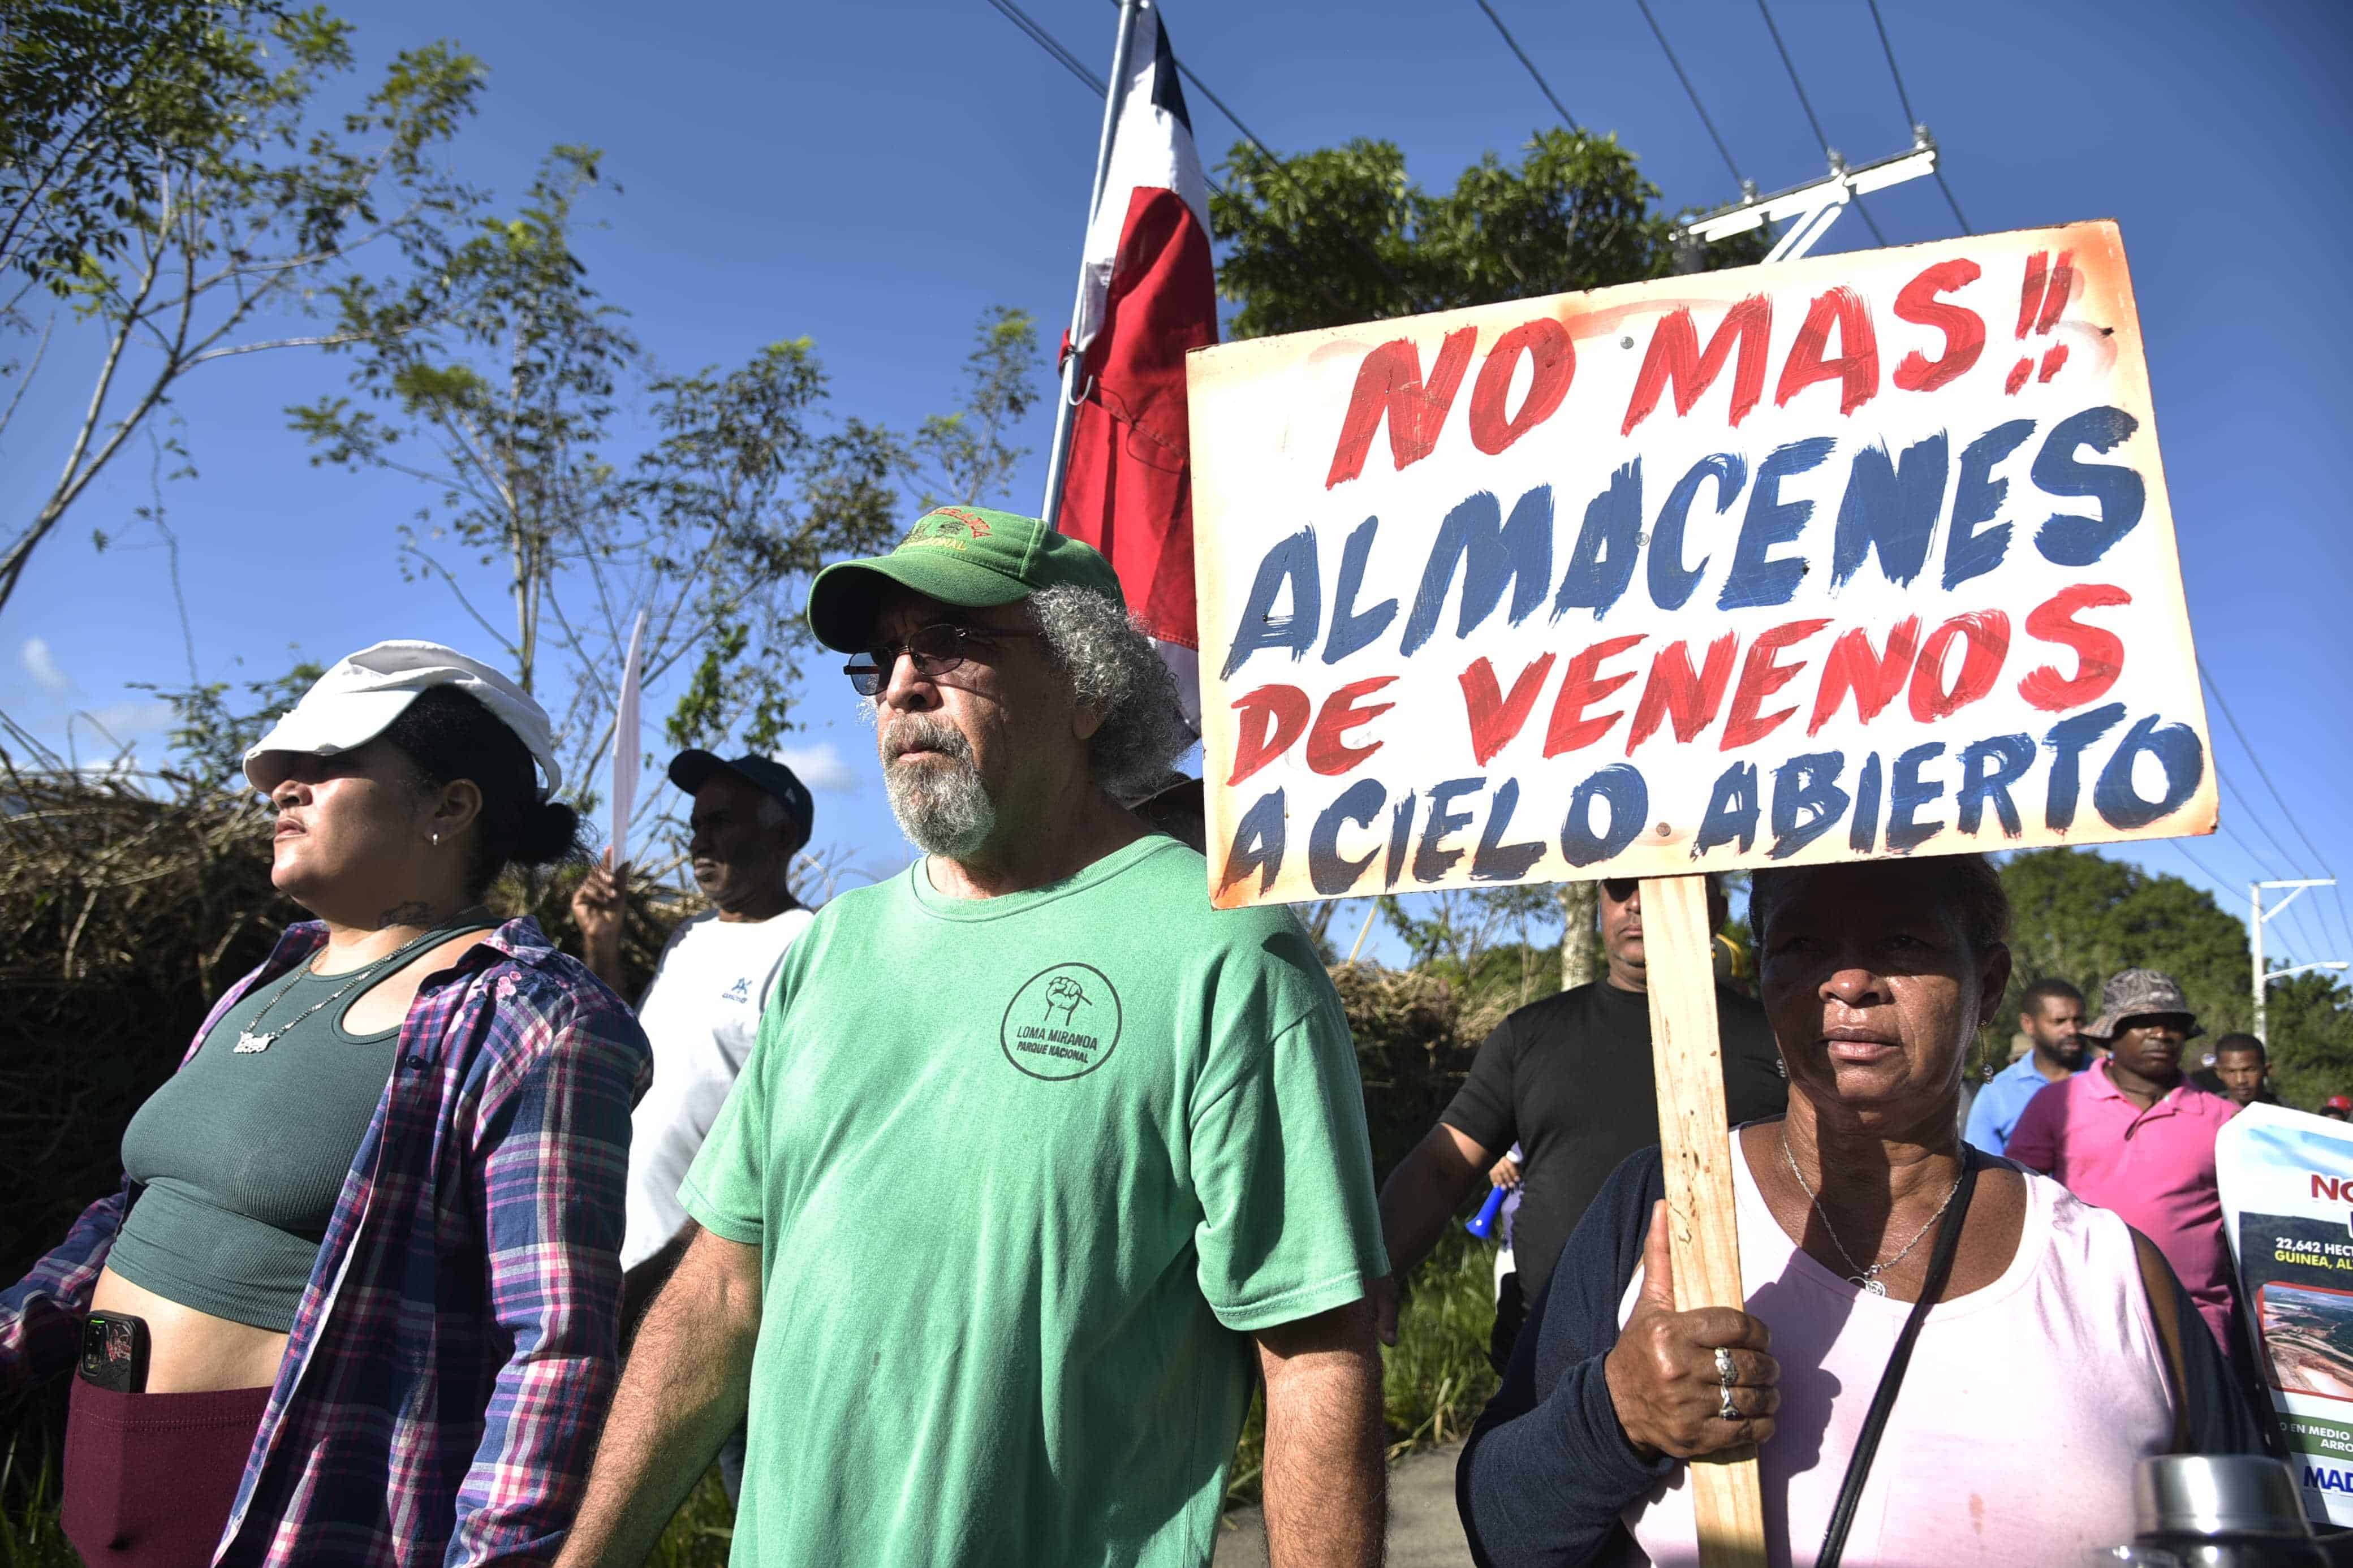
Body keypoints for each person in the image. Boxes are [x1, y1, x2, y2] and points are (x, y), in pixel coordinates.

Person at [555, 507, 1389, 1568]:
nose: (902, 681)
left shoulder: (1226, 955)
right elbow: (722, 1289)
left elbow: (1315, 1353)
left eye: (953, 643)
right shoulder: (835, 948)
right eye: (887, 653)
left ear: (1089, 689)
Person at [0, 641, 651, 1568]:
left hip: (280, 1509)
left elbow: (553, 1346)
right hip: (103, 1476)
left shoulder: (530, 1017)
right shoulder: (261, 986)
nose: (283, 788)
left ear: (450, 805)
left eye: (325, 763)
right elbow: (134, 1206)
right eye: (281, 769)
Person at [1458, 856, 2262, 1568]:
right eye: (1803, 947)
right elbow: (1502, 1526)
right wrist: (1615, 1415)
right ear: (1765, 978)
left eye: (1903, 944)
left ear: (1987, 983)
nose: (1848, 983)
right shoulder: (1664, 1210)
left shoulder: (2114, 1278)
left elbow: (2255, 1535)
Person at [1376, 876, 1786, 1372]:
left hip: (1727, 1369)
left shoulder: (1780, 1043)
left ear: (1716, 911)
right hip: (1544, 1371)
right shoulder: (1528, 1037)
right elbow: (1441, 1169)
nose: (1637, 901)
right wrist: (1376, 1272)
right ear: (1599, 905)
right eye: (1620, 886)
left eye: (1662, 880)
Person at [570, 750, 815, 1504]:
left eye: (720, 823)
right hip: (627, 1279)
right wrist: (600, 945)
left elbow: (780, 1144)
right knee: (600, 1511)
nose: (698, 843)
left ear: (782, 837)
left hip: (716, 1290)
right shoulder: (687, 942)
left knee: (757, 1505)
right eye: (694, 825)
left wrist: (670, 1270)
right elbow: (626, 1067)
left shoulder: (809, 946)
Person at [2006, 969, 2241, 1354]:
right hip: (2080, 1314)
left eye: (2173, 1025)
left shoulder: (2223, 1119)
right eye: (2143, 1024)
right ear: (2112, 1034)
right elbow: (2014, 1194)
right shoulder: (2058, 1103)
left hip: (2195, 1326)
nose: (2161, 1035)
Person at [1962, 977, 2087, 1155]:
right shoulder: (1998, 1093)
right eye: (2059, 1021)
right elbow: (1984, 1168)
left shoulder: (2107, 1080)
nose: (2072, 1030)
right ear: (2029, 1024)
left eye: (2078, 1020)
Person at [2191, 1032, 2281, 1109]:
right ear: (2219, 1073)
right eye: (2231, 1071)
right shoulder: (2204, 1119)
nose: (2241, 1080)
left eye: (2249, 1070)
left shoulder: (2290, 1117)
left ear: (2267, 1070)